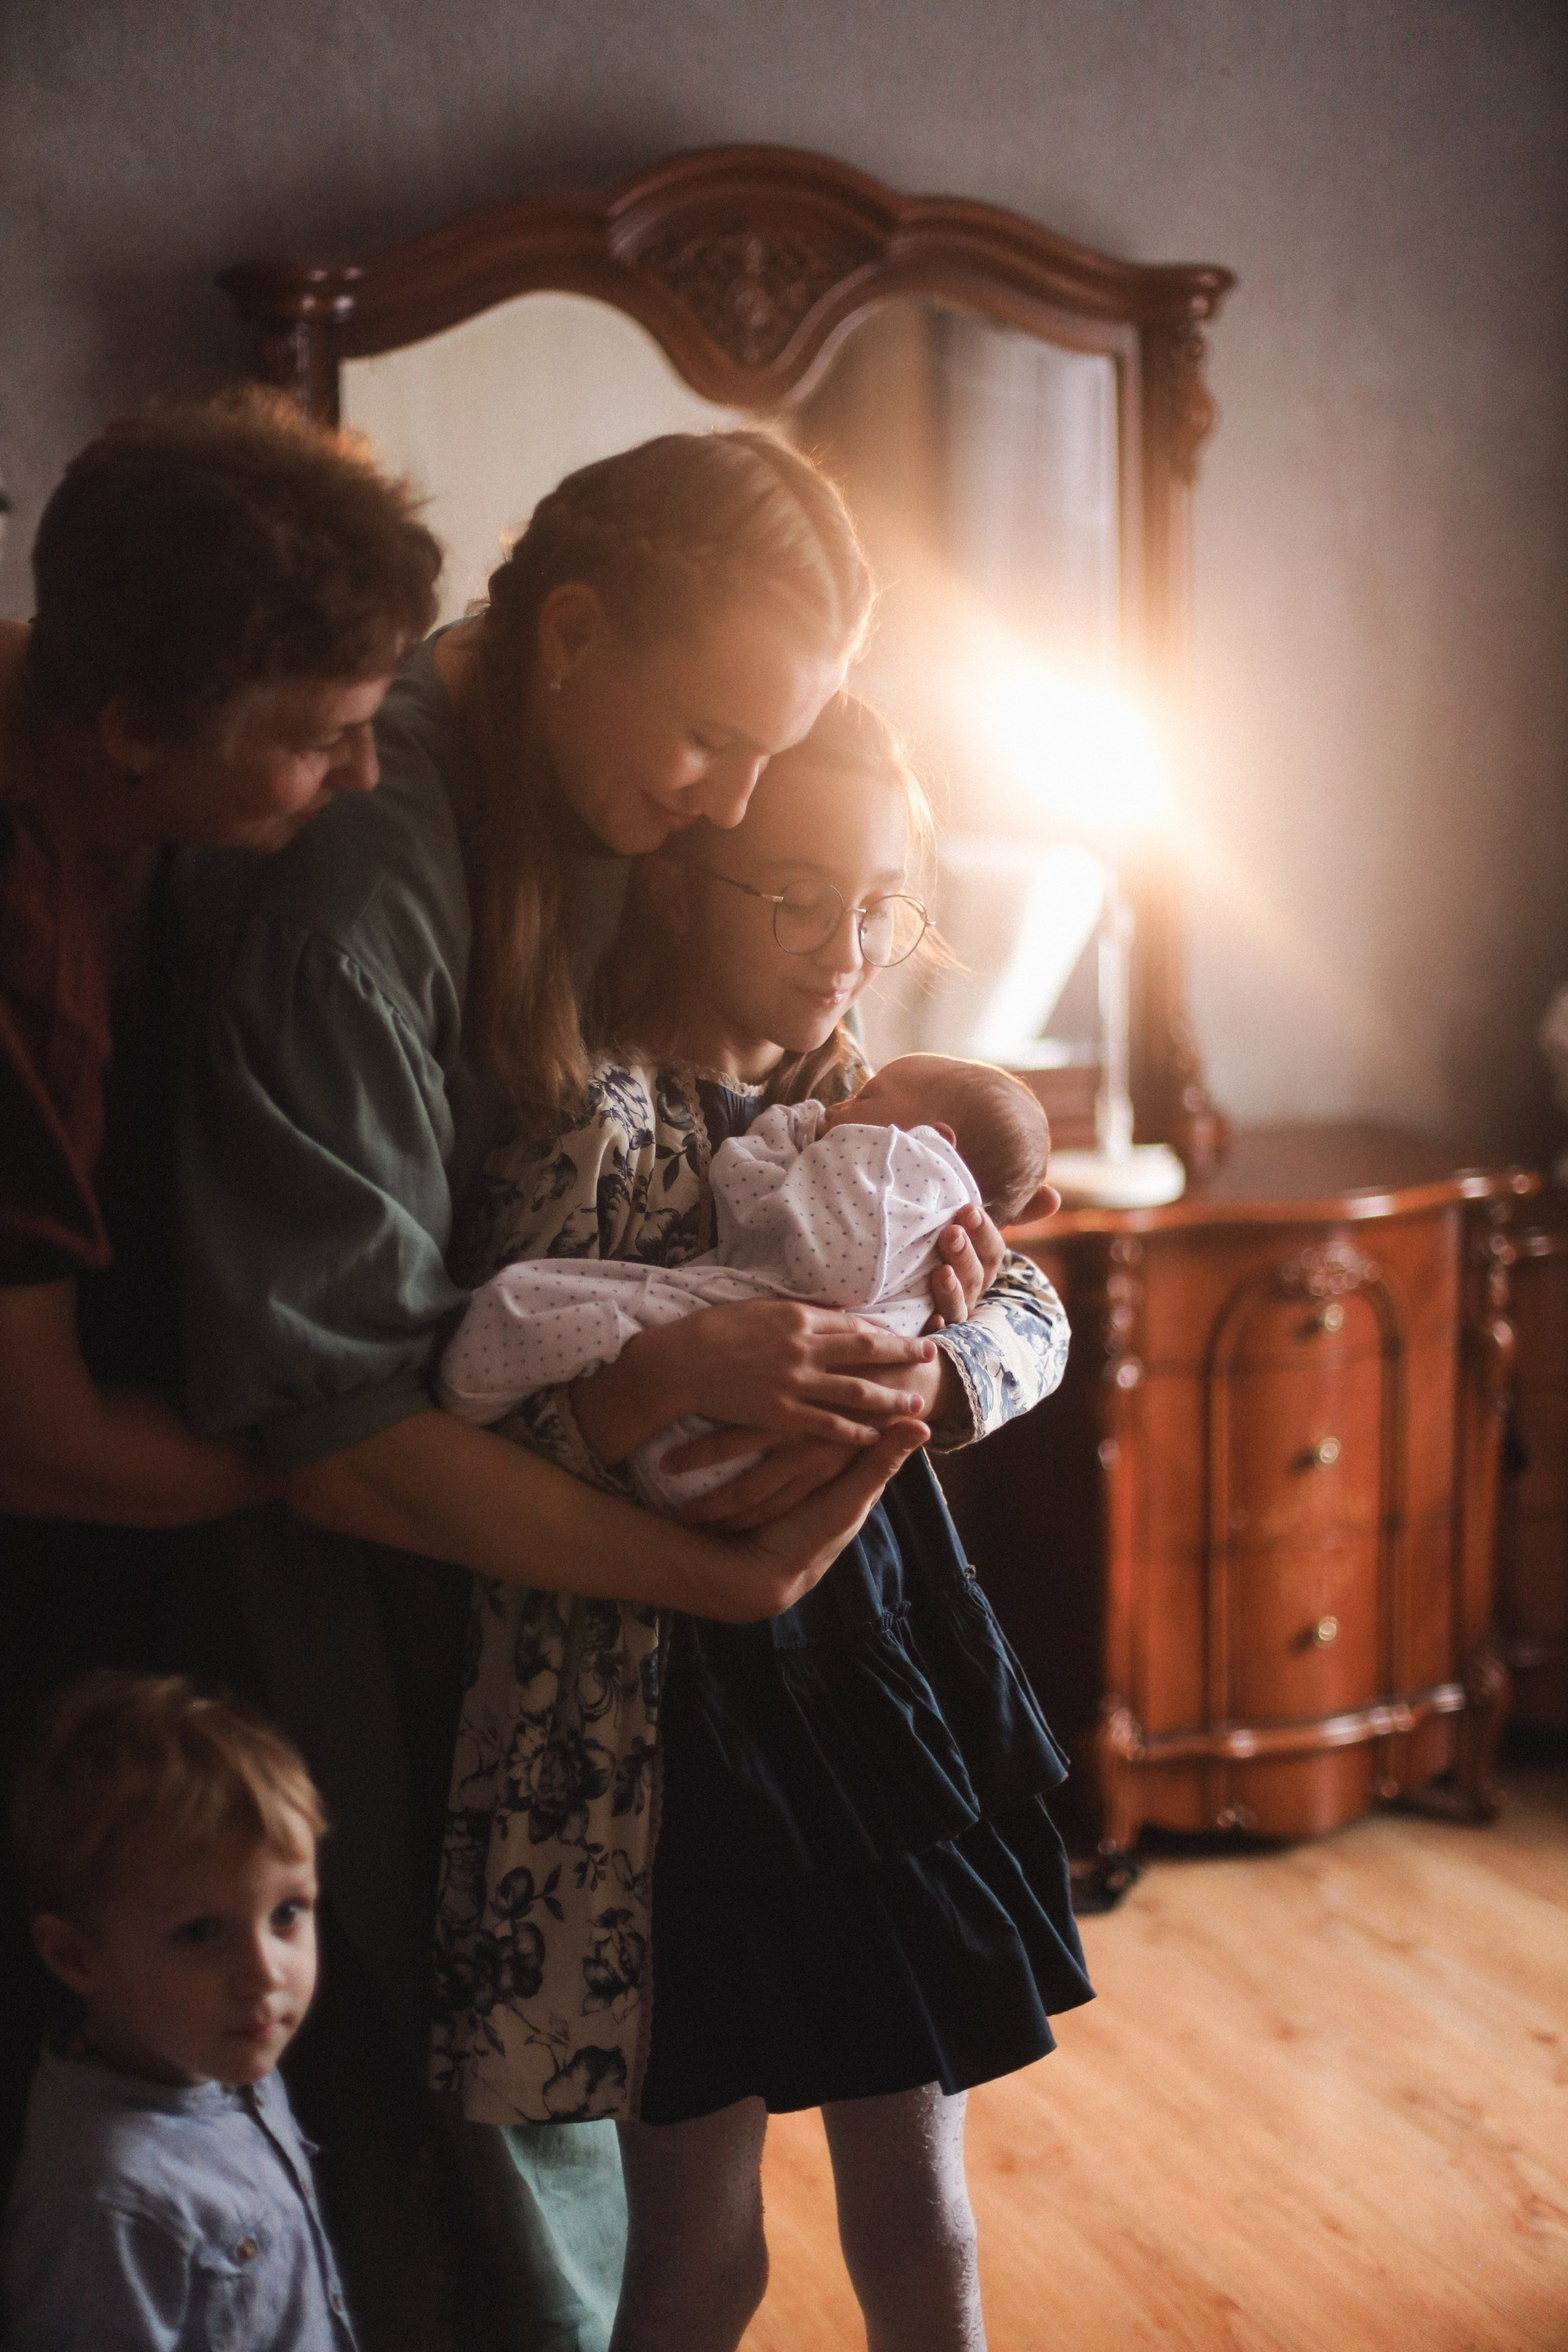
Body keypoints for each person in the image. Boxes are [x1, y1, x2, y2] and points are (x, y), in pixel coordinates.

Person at [172, 435, 985, 2352]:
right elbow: (340, 1426)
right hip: (403, 1590)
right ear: (570, 633)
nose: (721, 806)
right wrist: (688, 1534)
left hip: (612, 1605)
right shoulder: (355, 904)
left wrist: (935, 1271)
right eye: (709, 741)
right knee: (490, 2189)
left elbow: (801, 1103)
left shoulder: (619, 803)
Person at [426, 693, 1092, 2352]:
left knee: (920, 2207)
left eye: (878, 907)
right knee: (697, 2250)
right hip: (663, 1720)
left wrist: (948, 1374)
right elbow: (491, 1384)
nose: (845, 949)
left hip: (877, 1683)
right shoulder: (585, 1107)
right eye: (798, 901)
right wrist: (653, 1395)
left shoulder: (871, 1094)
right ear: (675, 876)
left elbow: (1033, 1305)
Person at [0, 391, 445, 2199]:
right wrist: (354, 1442)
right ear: (130, 733)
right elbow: (40, 1440)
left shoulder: (68, 708)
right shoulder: (18, 966)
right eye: (320, 738)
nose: (359, 777)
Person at [438, 1050, 1053, 1510]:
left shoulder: (892, 1154)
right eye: (805, 900)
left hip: (724, 1437)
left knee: (568, 1307)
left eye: (868, 1096)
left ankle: (468, 1377)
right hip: (736, 1465)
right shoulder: (609, 1110)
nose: (845, 1104)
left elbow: (825, 1261)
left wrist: (920, 1375)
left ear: (935, 1141)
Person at [2, 1671, 355, 2350]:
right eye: (200, 1932)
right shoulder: (107, 2204)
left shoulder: (215, 2054)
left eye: (287, 1914)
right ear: (77, 1957)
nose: (264, 1974)